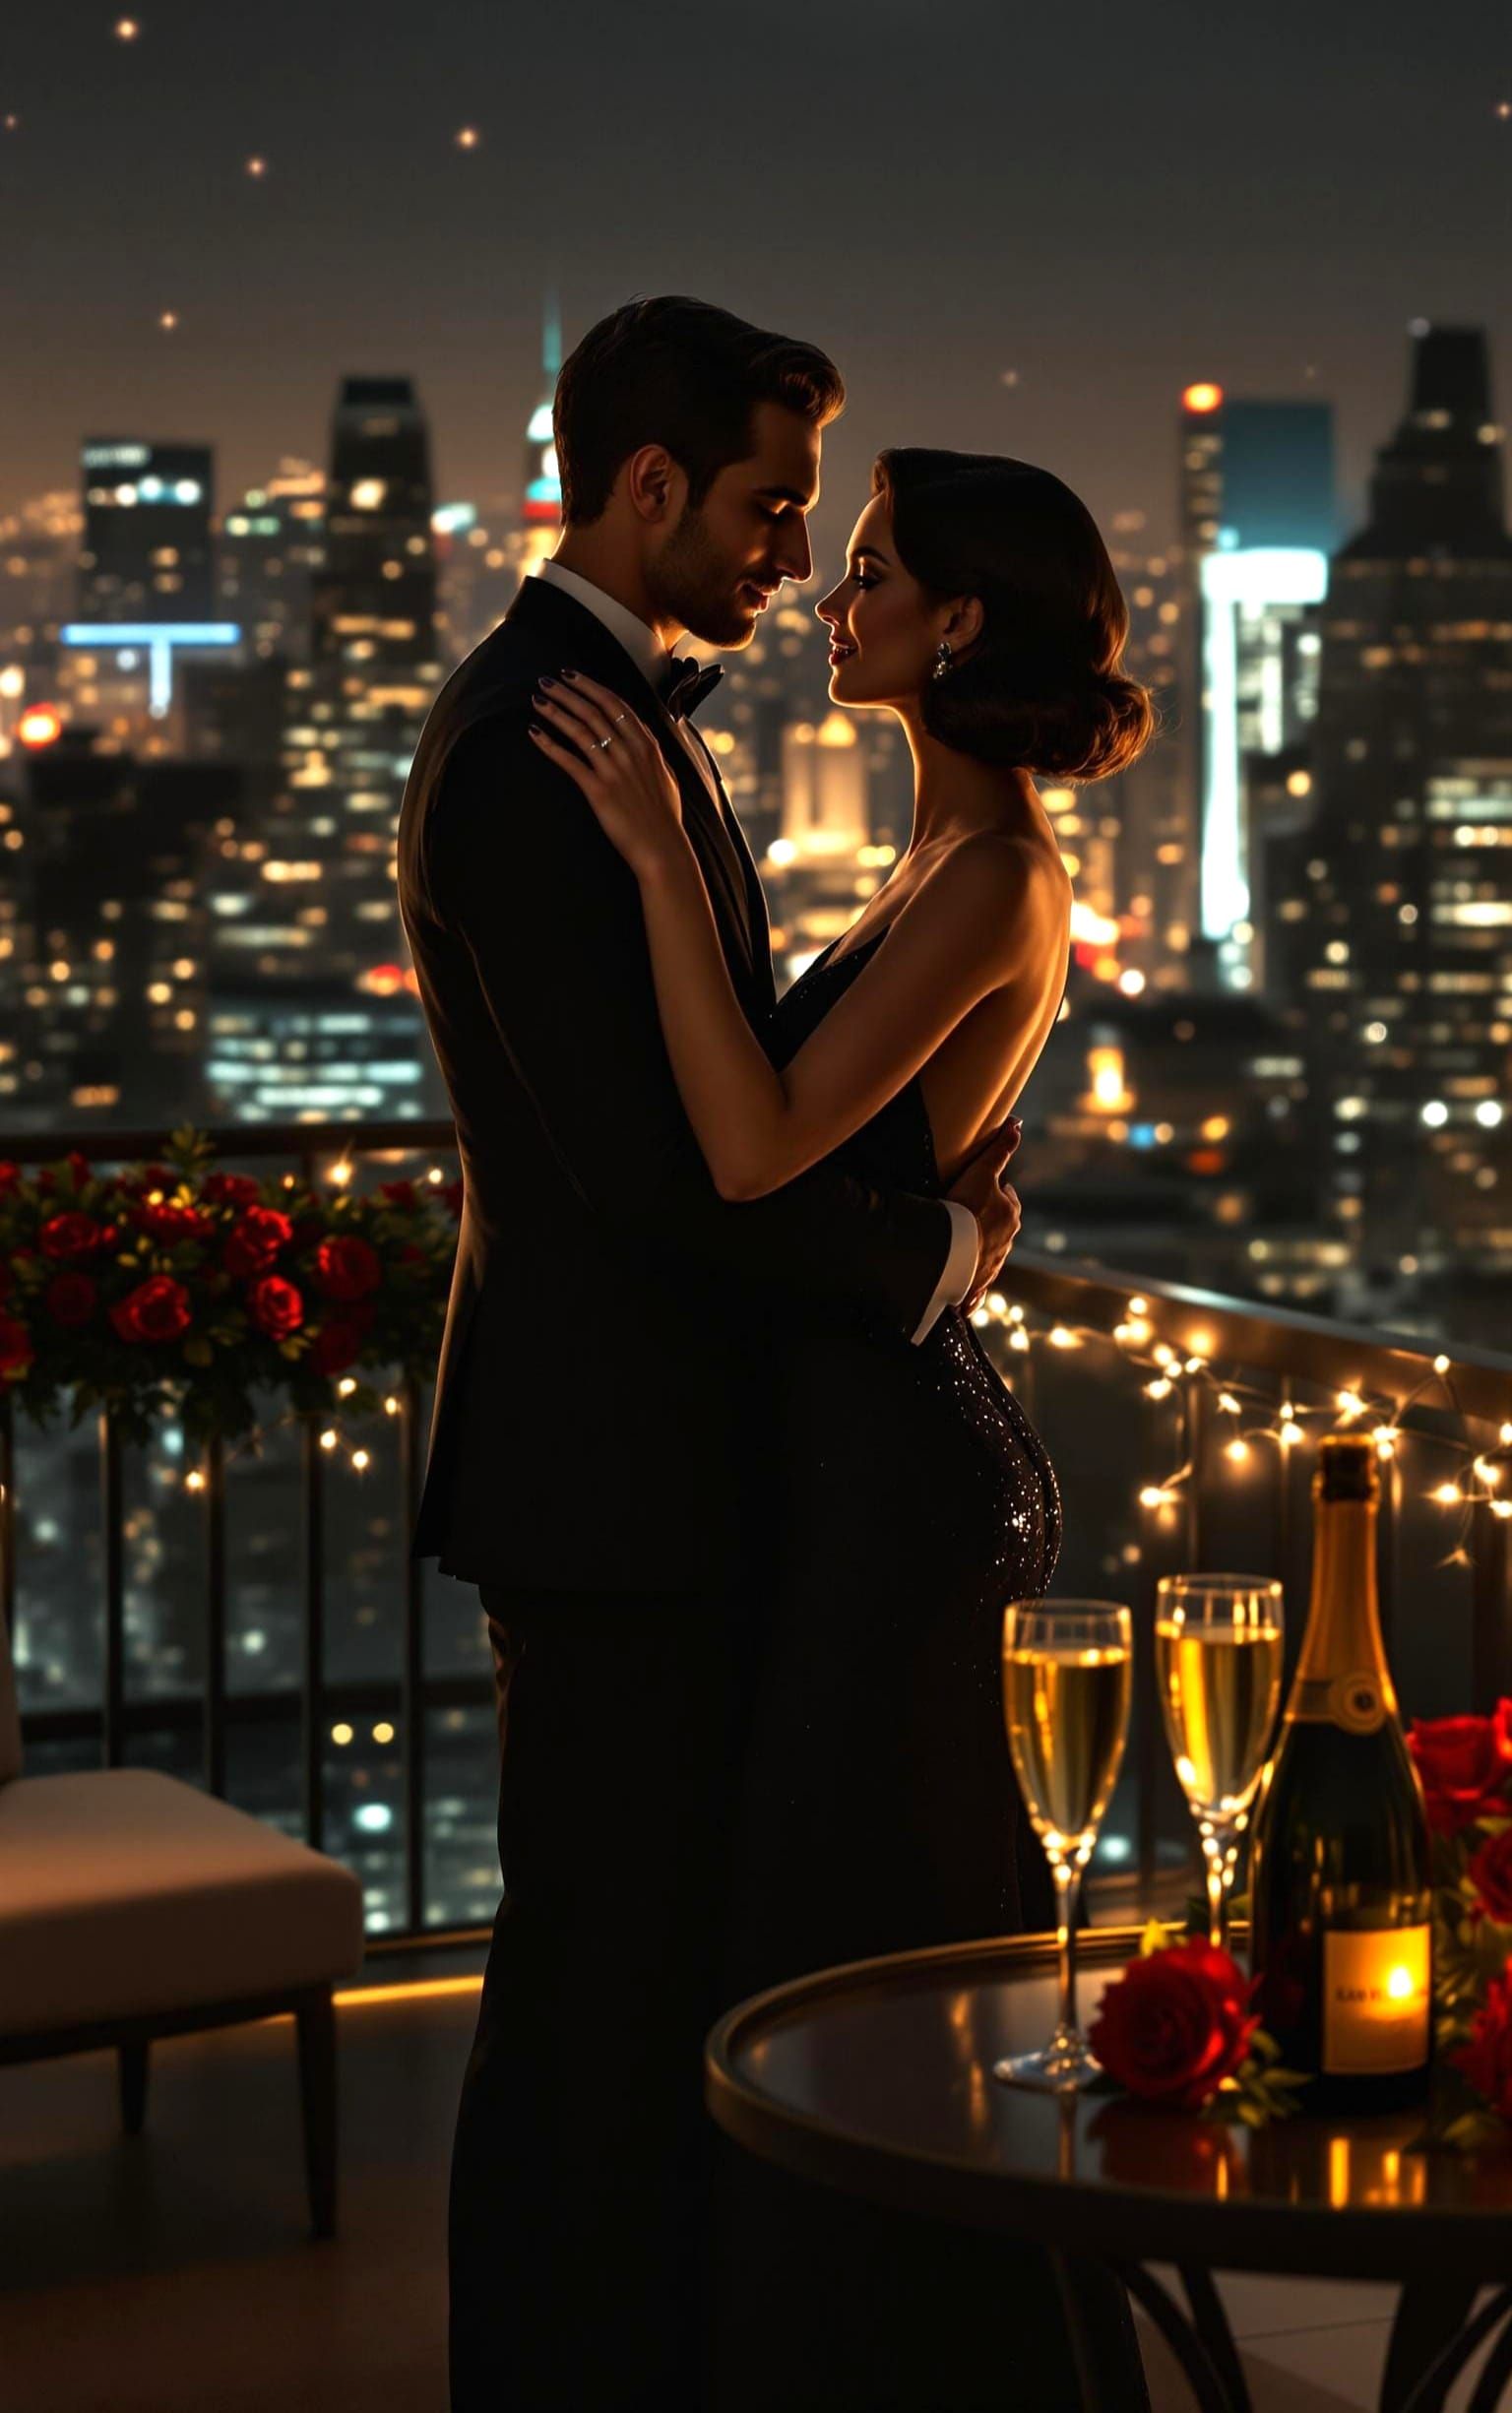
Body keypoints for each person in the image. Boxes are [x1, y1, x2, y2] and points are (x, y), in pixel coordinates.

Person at [396, 300, 1030, 2412]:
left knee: (652, 1979)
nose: (788, 556)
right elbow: (670, 1186)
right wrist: (931, 1245)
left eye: (821, 527)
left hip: (669, 1476)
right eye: (769, 510)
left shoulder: (616, 717)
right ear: (647, 487)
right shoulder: (537, 744)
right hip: (610, 1483)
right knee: (590, 1997)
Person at [532, 442, 1158, 2409]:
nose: (833, 594)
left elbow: (751, 1143)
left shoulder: (990, 880)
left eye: (870, 568)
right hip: (862, 1462)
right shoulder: (938, 864)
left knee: (876, 1962)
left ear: (959, 624)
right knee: (849, 1956)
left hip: (901, 1496)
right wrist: (951, 1238)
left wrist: (649, 858)